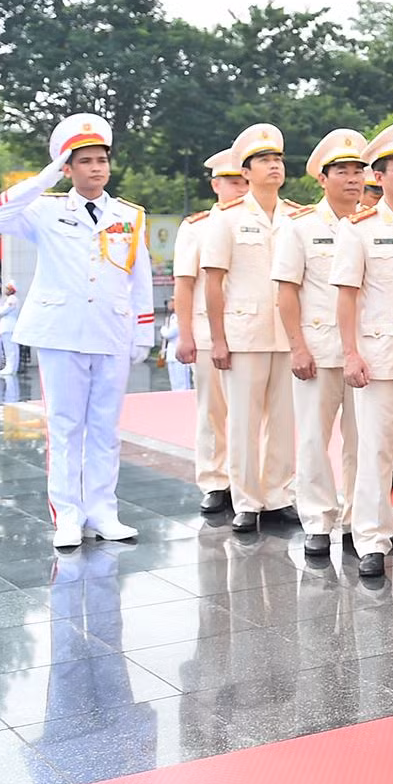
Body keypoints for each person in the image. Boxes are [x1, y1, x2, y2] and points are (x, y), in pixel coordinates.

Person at [0, 114, 153, 548]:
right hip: (60, 332)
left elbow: (140, 276)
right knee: (65, 427)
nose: (96, 168)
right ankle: (68, 516)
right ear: (68, 167)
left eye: (102, 160)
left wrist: (144, 331)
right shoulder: (45, 208)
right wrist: (44, 178)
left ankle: (103, 510)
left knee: (104, 429)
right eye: (86, 161)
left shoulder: (129, 216)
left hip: (111, 331)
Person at [336, 123, 393, 577]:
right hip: (379, 356)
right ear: (379, 176)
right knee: (375, 452)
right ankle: (371, 538)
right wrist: (350, 352)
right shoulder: (360, 228)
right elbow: (347, 296)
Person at [201, 124, 300, 532]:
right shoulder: (226, 218)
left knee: (283, 419)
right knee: (242, 420)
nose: (274, 166)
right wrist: (218, 339)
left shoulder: (296, 216)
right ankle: (246, 500)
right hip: (244, 334)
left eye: (277, 160)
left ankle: (278, 494)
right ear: (245, 172)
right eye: (264, 160)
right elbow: (212, 281)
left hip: (289, 333)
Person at [274, 129, 368, 557]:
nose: (353, 179)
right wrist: (296, 346)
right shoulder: (302, 228)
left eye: (358, 171)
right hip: (318, 348)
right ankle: (316, 518)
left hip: (368, 351)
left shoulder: (374, 224)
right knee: (314, 438)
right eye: (343, 172)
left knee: (363, 440)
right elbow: (286, 291)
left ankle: (355, 518)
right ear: (323, 178)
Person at [172, 149, 247, 513]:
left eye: (245, 181)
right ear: (215, 184)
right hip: (207, 332)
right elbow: (185, 284)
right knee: (213, 410)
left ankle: (255, 484)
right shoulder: (197, 226)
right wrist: (185, 334)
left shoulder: (267, 221)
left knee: (257, 415)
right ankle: (216, 480)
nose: (240, 188)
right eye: (232, 182)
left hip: (254, 332)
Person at [160, 307, 189, 390]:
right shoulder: (172, 317)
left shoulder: (181, 317)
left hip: (180, 352)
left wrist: (163, 329)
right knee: (174, 382)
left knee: (182, 382)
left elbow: (169, 334)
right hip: (171, 353)